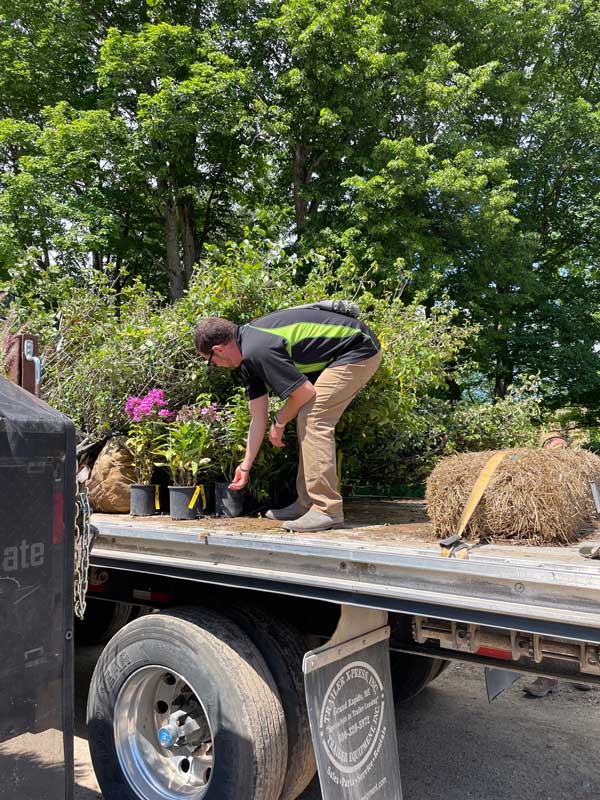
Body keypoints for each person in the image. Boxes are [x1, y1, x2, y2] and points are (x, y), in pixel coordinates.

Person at [194, 303, 382, 532]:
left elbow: (304, 392)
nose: (215, 366)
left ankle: (327, 510)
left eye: (210, 360)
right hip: (342, 352)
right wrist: (245, 466)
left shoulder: (257, 348)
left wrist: (280, 421)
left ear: (219, 349)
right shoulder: (247, 359)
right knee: (307, 415)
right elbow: (258, 418)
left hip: (357, 348)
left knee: (313, 417)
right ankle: (307, 504)